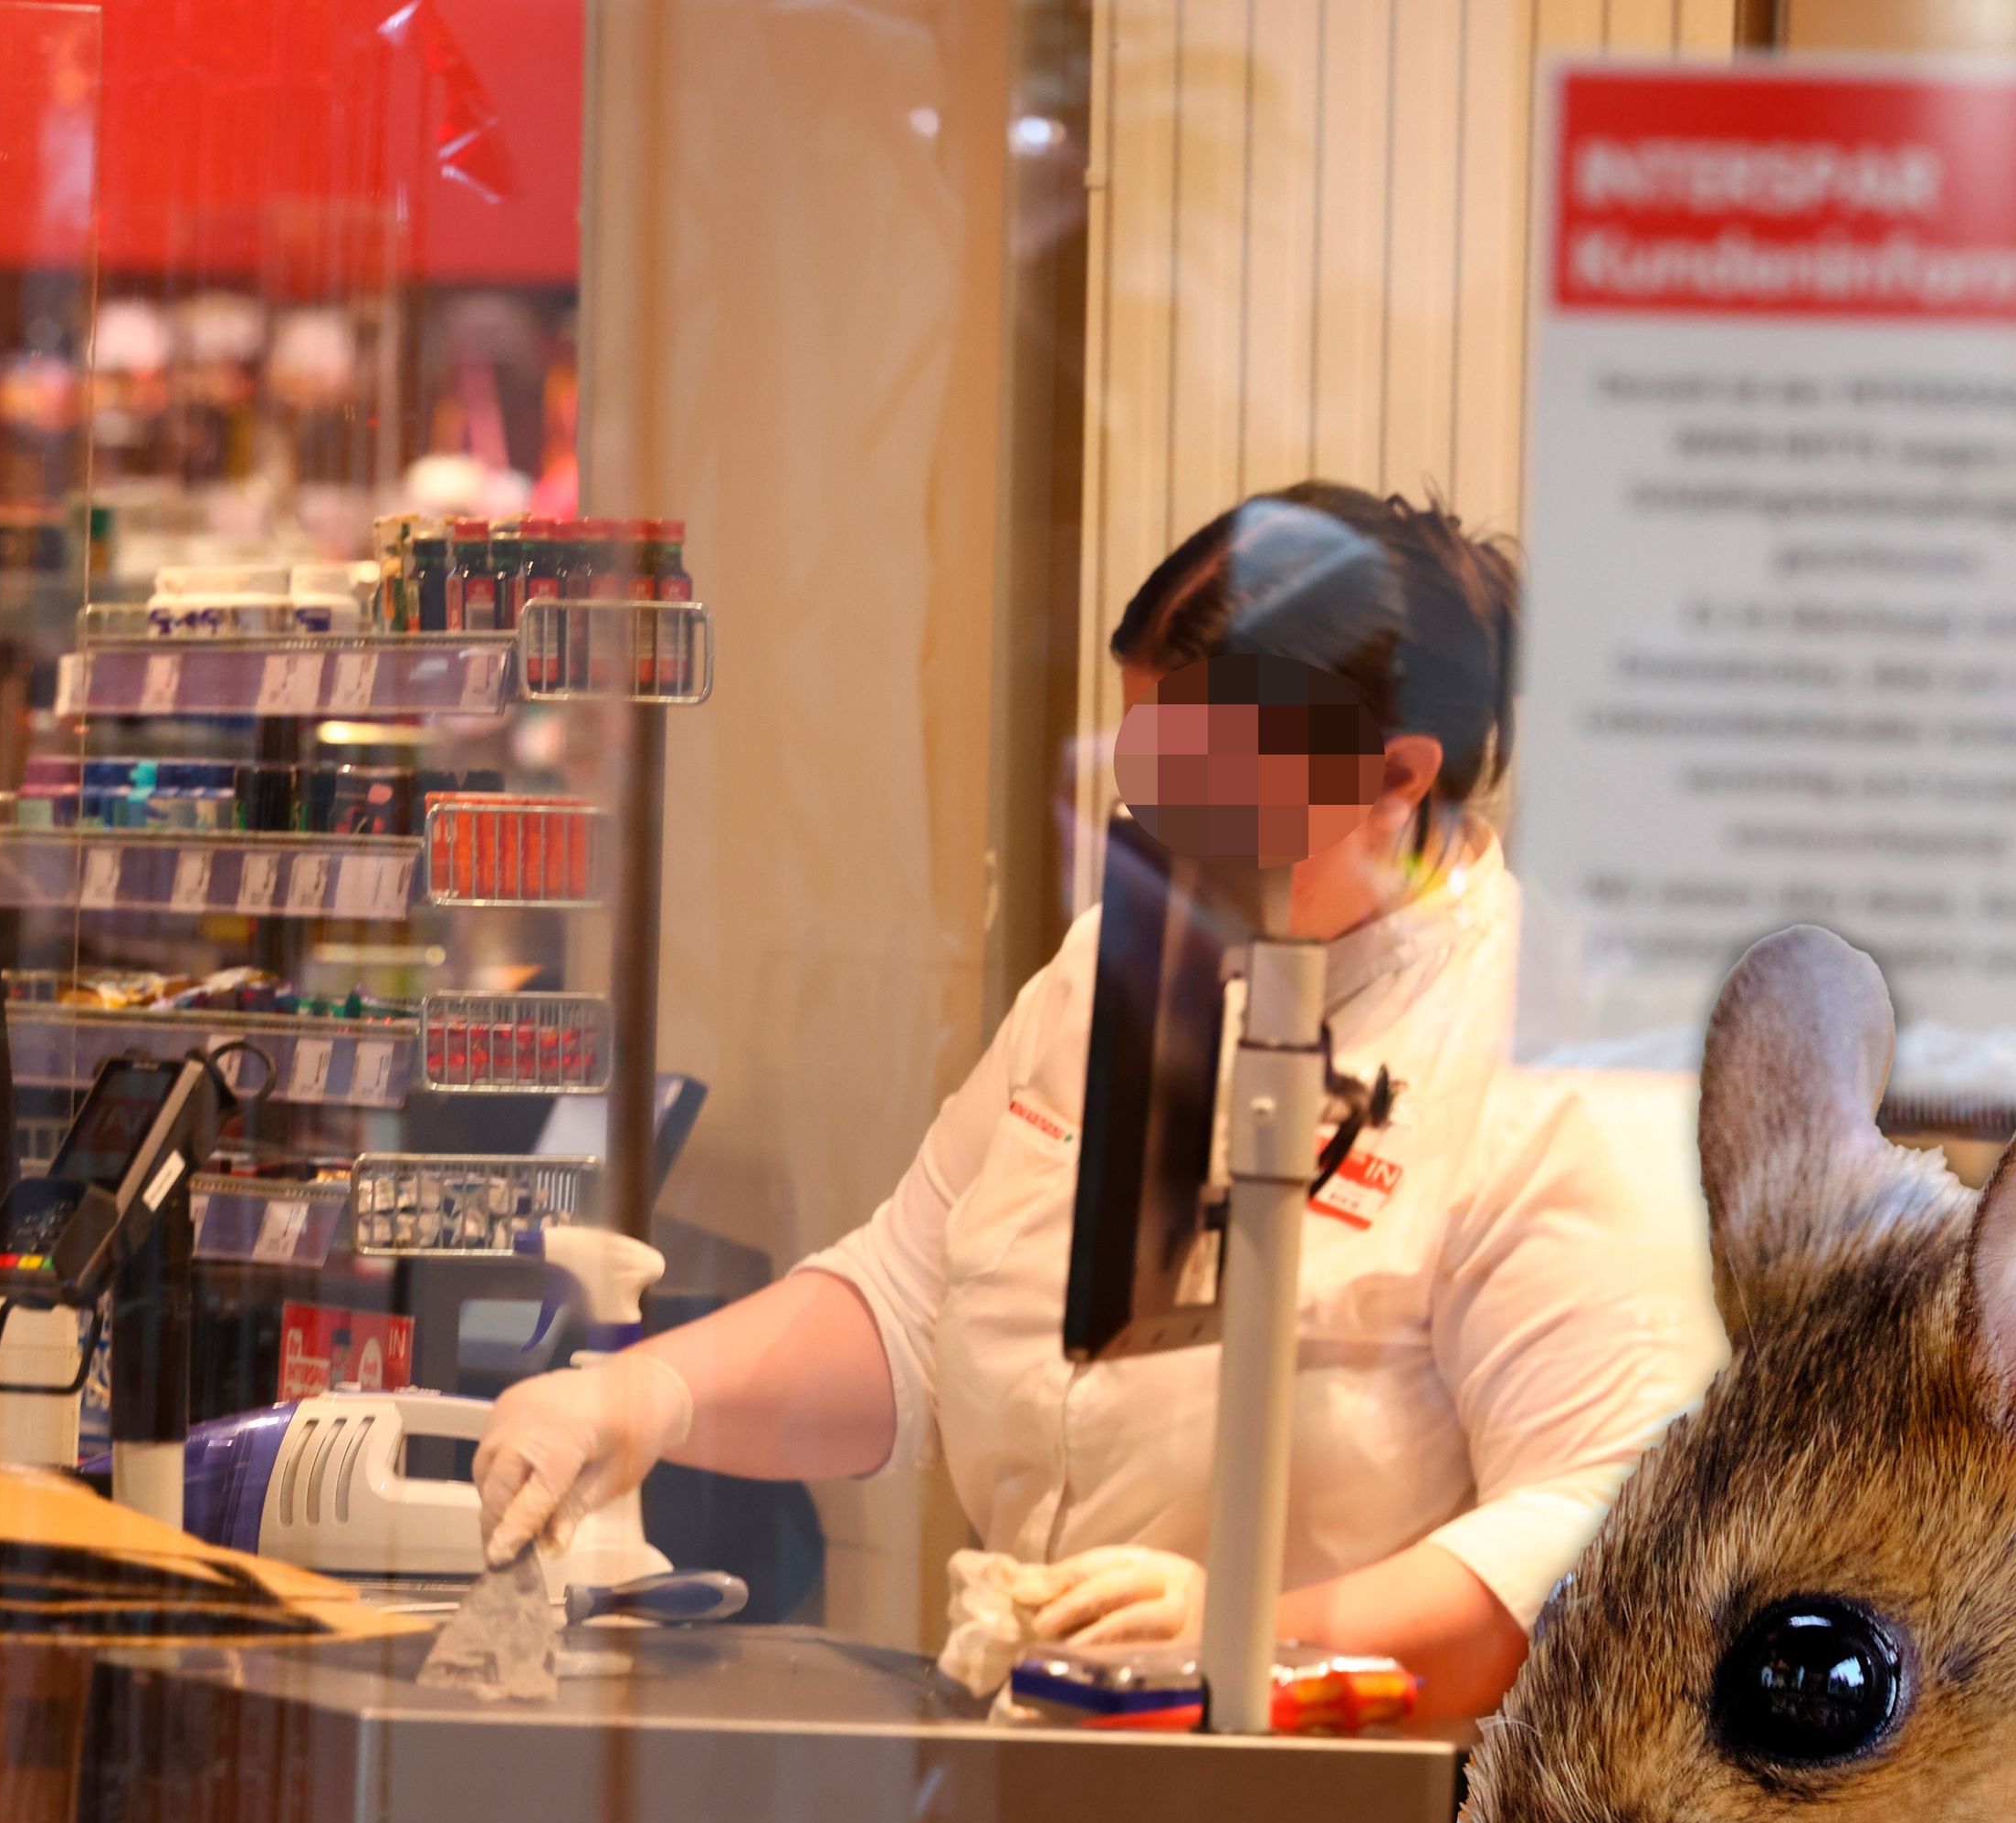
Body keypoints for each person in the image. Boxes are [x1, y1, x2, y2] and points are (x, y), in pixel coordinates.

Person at [474, 481, 1718, 1721]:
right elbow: (913, 1305)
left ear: (1398, 777)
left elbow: (1601, 1535)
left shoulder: (1564, 1068)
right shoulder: (1120, 966)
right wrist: (642, 1396)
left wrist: (1249, 1643)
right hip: (1058, 1756)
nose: (1160, 830)